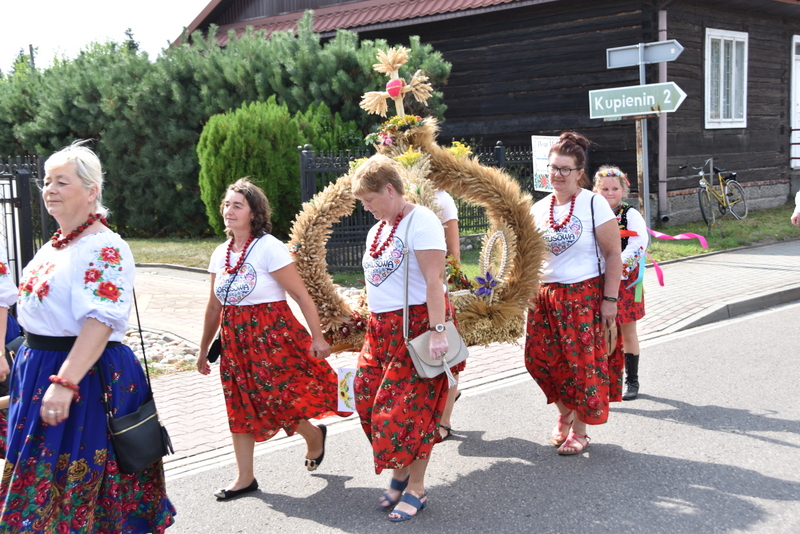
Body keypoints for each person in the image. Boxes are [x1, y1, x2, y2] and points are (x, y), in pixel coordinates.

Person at [0, 142, 176, 532]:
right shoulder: (54, 247)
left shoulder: (104, 246)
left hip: (85, 376)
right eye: (47, 181)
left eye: (62, 182)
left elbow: (100, 321)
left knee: (86, 488)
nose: (49, 189)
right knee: (39, 485)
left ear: (92, 190)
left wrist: (64, 382)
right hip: (41, 370)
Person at [196, 178, 340, 500]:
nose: (229, 210)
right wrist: (203, 349)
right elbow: (214, 306)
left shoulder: (268, 247)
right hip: (234, 341)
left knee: (279, 398)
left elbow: (301, 296)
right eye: (226, 204)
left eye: (237, 205)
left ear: (253, 212)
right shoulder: (220, 254)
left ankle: (313, 434)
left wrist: (318, 337)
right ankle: (244, 477)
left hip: (272, 337)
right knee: (239, 405)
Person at [352, 155, 464, 522]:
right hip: (380, 329)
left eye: (369, 199)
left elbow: (434, 281)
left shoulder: (423, 221)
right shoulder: (377, 230)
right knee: (368, 400)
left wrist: (436, 331)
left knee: (410, 412)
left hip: (416, 327)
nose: (365, 207)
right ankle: (400, 469)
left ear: (390, 189)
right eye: (362, 202)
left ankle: (415, 486)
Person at [524, 132, 624, 455]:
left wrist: (610, 300)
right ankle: (565, 412)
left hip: (583, 296)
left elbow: (613, 255)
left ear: (580, 172)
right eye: (553, 167)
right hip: (545, 297)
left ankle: (579, 430)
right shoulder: (539, 208)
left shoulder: (594, 204)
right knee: (541, 360)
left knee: (581, 364)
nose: (557, 175)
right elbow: (530, 257)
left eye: (565, 169)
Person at [593, 166, 648, 400]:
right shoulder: (592, 213)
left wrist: (617, 268)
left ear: (623, 190)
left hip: (624, 283)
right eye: (604, 189)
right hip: (598, 281)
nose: (609, 193)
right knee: (602, 332)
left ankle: (632, 381)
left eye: (614, 188)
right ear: (596, 190)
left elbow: (639, 244)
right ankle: (604, 378)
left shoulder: (630, 214)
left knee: (627, 331)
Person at [433, 189, 461, 441]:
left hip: (437, 286)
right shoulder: (395, 193)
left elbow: (452, 250)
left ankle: (444, 421)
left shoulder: (441, 198)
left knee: (448, 358)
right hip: (406, 294)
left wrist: (451, 280)